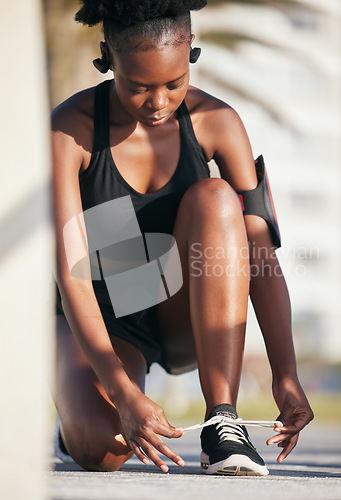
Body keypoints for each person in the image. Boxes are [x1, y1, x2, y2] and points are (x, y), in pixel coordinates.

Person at [51, 0, 313, 476]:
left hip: (181, 313)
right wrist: (125, 394)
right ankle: (76, 419)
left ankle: (222, 423)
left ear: (191, 50)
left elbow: (262, 259)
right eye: (138, 87)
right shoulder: (71, 131)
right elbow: (72, 280)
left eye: (174, 83)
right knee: (102, 448)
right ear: (107, 56)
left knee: (216, 197)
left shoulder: (218, 122)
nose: (157, 102)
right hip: (102, 316)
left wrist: (286, 375)